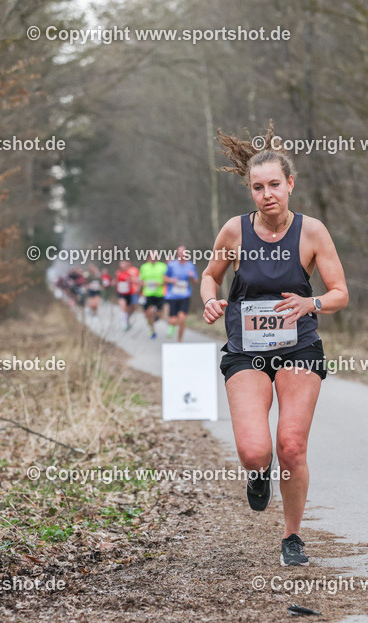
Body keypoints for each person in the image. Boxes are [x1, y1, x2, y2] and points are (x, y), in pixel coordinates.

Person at [200, 122, 348, 567]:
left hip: (299, 348)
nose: (267, 195)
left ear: (290, 185)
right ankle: (257, 475)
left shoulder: (311, 232)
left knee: (291, 445)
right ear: (250, 190)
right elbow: (211, 275)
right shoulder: (234, 232)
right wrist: (210, 301)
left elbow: (340, 292)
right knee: (254, 450)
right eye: (258, 187)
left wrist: (312, 302)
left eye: (275, 186)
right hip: (246, 351)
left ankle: (292, 537)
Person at [164, 245, 199, 342]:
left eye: (184, 252)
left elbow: (196, 282)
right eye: (180, 252)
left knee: (182, 319)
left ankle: (179, 340)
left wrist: (192, 277)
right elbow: (164, 278)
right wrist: (171, 280)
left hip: (185, 296)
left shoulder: (190, 265)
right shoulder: (171, 265)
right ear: (177, 254)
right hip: (173, 296)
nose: (182, 254)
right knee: (173, 320)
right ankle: (172, 325)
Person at [138, 251, 168, 339]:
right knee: (149, 312)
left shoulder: (163, 266)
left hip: (159, 294)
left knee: (159, 314)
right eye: (152, 256)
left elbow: (166, 279)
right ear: (148, 257)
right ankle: (152, 330)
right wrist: (143, 285)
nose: (154, 258)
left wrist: (161, 283)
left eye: (155, 256)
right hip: (148, 294)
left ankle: (152, 321)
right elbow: (141, 280)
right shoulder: (144, 267)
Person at [115, 260, 140, 330]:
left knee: (131, 308)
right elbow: (116, 281)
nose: (123, 267)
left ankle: (127, 319)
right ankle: (124, 324)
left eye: (124, 265)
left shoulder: (130, 273)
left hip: (130, 293)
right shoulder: (118, 273)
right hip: (121, 293)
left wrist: (132, 280)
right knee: (123, 307)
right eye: (121, 265)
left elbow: (137, 280)